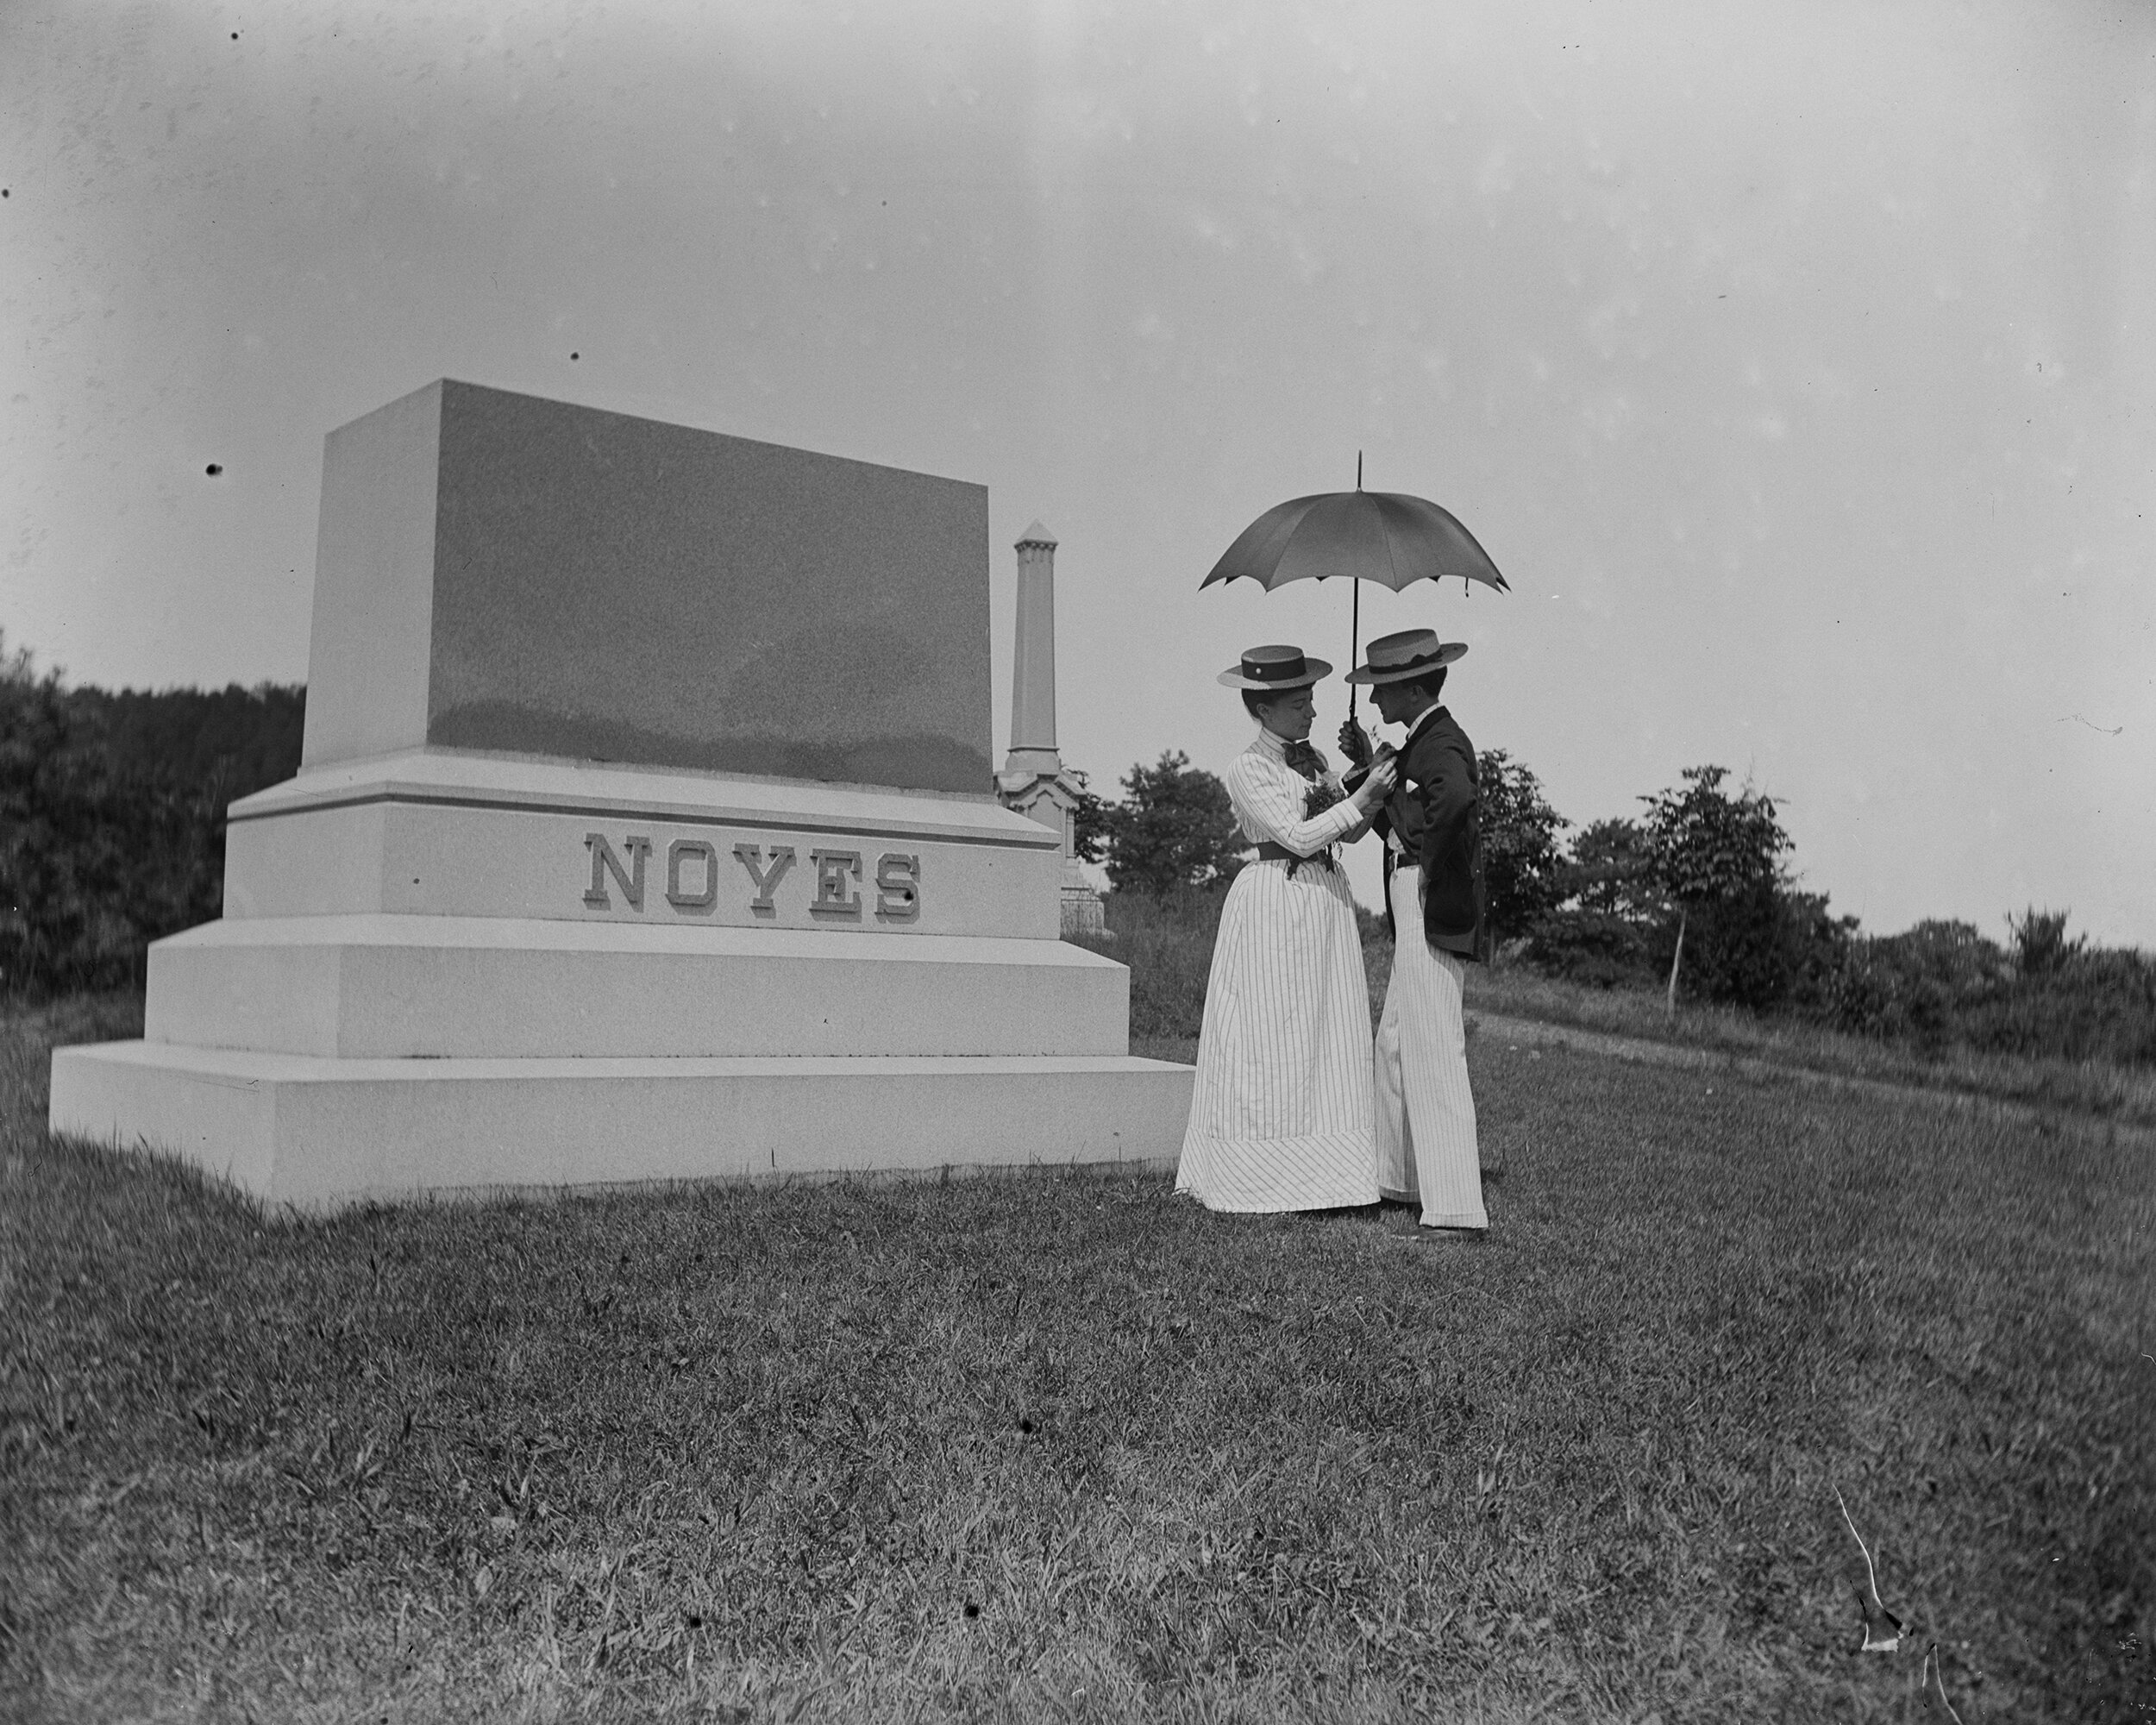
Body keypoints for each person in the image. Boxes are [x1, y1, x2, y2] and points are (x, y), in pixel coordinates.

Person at [1175, 644, 1400, 1214]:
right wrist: (1360, 800)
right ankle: (1261, 1177)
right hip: (1278, 898)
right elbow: (1296, 837)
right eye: (1300, 703)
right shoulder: (1248, 768)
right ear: (1266, 708)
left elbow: (1342, 836)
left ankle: (1332, 1180)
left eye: (1311, 701)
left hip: (1323, 901)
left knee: (1326, 1032)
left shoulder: (1315, 760)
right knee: (1274, 1033)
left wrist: (1365, 783)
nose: (1312, 713)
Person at [1338, 628, 1494, 1239]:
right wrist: (1365, 763)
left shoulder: (1441, 744)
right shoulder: (1420, 742)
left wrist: (1426, 856)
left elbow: (1450, 801)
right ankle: (1399, 1181)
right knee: (1397, 1041)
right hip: (1413, 895)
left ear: (1407, 688)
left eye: (1380, 690)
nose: (1374, 702)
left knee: (1432, 1045)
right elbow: (1395, 807)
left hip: (1428, 897)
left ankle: (1456, 1207)